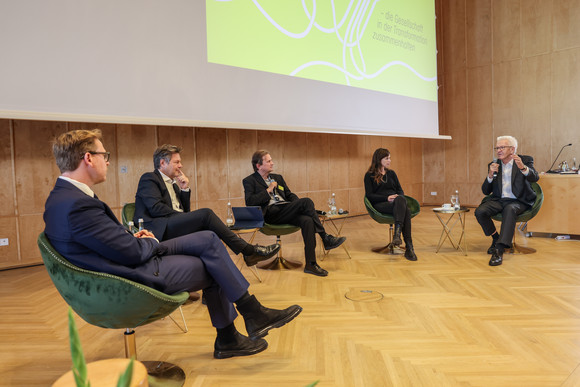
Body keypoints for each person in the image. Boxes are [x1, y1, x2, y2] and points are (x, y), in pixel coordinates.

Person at [43, 129, 302, 359]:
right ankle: (238, 328)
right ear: (88, 158)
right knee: (213, 261)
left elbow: (103, 240)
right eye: (104, 154)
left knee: (210, 239)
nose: (108, 161)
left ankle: (243, 322)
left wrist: (131, 237)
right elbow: (132, 251)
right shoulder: (78, 204)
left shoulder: (64, 197)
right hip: (127, 278)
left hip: (124, 261)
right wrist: (149, 240)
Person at [134, 144, 280, 267]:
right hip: (159, 229)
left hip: (172, 225)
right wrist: (185, 217)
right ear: (162, 163)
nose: (181, 165)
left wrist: (184, 189)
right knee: (206, 214)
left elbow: (185, 212)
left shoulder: (174, 184)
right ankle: (248, 250)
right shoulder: (149, 178)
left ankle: (213, 290)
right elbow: (156, 208)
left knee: (211, 237)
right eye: (176, 162)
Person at [242, 150, 346, 277]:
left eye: (271, 160)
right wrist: (268, 190)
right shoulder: (249, 181)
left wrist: (297, 206)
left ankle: (311, 264)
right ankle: (325, 238)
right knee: (307, 201)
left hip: (285, 210)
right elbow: (250, 202)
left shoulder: (278, 178)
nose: (272, 163)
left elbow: (289, 195)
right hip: (271, 214)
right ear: (258, 165)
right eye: (268, 161)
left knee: (307, 220)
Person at [475, 135, 539, 266]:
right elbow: (485, 191)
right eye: (497, 148)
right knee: (480, 211)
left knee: (510, 209)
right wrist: (490, 175)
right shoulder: (494, 164)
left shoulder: (525, 160)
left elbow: (535, 178)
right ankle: (495, 238)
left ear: (512, 149)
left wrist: (522, 167)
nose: (498, 150)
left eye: (502, 147)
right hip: (500, 199)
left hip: (519, 200)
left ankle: (499, 250)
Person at [364, 148, 417, 261]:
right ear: (379, 159)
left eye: (390, 158)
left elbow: (400, 190)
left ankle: (398, 236)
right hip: (381, 205)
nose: (390, 160)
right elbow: (369, 196)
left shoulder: (391, 173)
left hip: (396, 204)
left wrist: (398, 198)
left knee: (400, 200)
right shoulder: (369, 175)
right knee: (405, 209)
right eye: (387, 158)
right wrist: (387, 198)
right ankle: (409, 247)